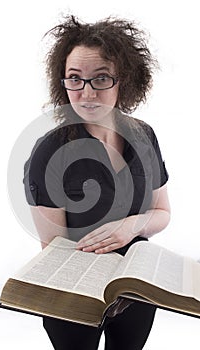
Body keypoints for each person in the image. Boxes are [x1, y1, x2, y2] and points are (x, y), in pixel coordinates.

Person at [23, 15, 171, 350]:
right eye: (75, 79)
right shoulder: (50, 152)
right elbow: (54, 250)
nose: (86, 93)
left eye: (100, 78)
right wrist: (102, 291)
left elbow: (162, 211)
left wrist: (130, 227)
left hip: (136, 293)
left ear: (125, 80)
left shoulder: (144, 136)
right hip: (75, 298)